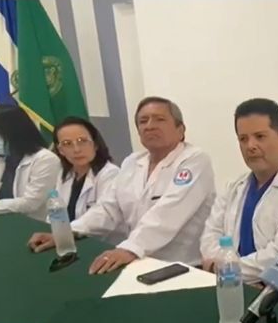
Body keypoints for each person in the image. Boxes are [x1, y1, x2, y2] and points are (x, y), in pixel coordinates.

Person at [28, 96, 215, 274]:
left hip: (182, 266)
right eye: (143, 121)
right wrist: (68, 232)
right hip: (139, 261)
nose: (150, 126)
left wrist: (129, 249)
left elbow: (168, 214)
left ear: (180, 130)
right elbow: (108, 208)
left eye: (159, 119)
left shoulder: (195, 160)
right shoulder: (132, 162)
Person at [199, 98, 278, 283]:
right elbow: (210, 236)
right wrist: (222, 268)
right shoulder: (233, 188)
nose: (250, 146)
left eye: (260, 137)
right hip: (230, 287)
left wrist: (224, 268)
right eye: (243, 139)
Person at [51, 116, 119, 222]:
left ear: (95, 144)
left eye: (82, 141)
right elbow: (56, 211)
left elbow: (103, 216)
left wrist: (69, 229)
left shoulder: (110, 174)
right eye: (67, 144)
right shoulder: (64, 175)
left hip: (97, 233)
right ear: (61, 150)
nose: (76, 149)